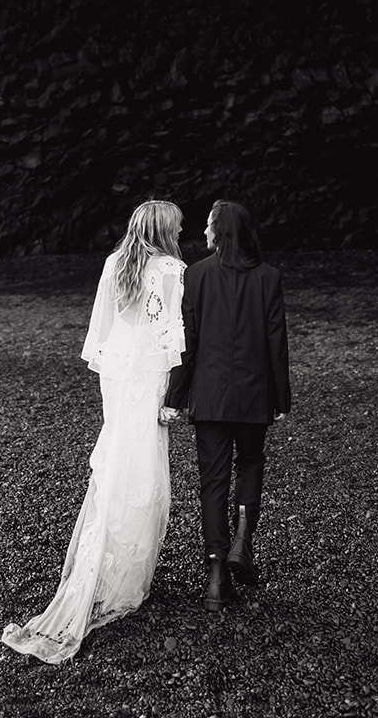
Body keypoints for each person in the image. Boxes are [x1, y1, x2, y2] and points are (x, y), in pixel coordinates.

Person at [1, 199, 185, 663]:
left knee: (118, 460)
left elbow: (101, 332)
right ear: (164, 228)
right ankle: (124, 579)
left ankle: (104, 568)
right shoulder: (171, 268)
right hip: (147, 375)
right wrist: (173, 393)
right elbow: (173, 334)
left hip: (118, 376)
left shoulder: (114, 262)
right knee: (143, 469)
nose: (183, 229)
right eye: (178, 224)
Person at [163, 199, 291, 611]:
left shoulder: (197, 275)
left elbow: (189, 343)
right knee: (251, 462)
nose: (203, 233)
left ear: (221, 232)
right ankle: (241, 540)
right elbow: (277, 340)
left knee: (212, 482)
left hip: (211, 396)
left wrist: (175, 398)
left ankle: (216, 579)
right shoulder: (269, 277)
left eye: (208, 226)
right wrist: (281, 398)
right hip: (254, 395)